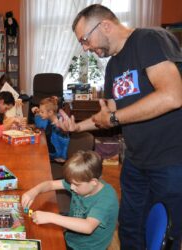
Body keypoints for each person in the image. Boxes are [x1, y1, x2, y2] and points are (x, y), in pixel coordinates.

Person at [57, 4, 182, 249]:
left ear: (105, 25)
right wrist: (77, 127)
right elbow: (109, 113)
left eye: (85, 39)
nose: (85, 47)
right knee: (129, 226)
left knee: (166, 234)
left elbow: (173, 95)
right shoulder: (114, 66)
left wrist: (114, 118)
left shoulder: (149, 39)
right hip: (136, 161)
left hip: (170, 161)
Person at [22, 151, 118, 250]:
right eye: (70, 183)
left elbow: (88, 226)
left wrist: (51, 217)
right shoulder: (81, 181)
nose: (71, 187)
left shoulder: (106, 199)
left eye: (76, 184)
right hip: (71, 238)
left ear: (93, 182)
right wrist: (33, 191)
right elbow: (50, 184)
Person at [31, 96, 69, 162]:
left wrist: (63, 157)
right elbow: (40, 123)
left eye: (42, 112)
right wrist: (37, 112)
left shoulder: (59, 127)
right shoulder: (50, 119)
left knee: (33, 156)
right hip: (48, 150)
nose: (40, 114)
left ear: (50, 112)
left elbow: (65, 143)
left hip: (55, 155)